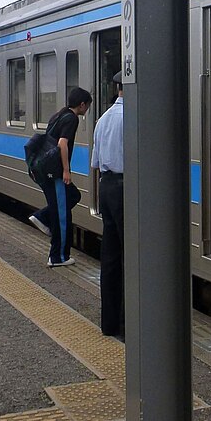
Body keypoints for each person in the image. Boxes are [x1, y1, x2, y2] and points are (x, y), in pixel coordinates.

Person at [29, 87, 92, 268]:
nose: (86, 110)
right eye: (87, 106)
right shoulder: (72, 118)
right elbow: (62, 144)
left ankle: (43, 216)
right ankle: (58, 257)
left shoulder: (58, 115)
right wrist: (66, 170)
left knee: (72, 197)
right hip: (55, 172)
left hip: (45, 169)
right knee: (62, 214)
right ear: (82, 104)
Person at [91, 72, 125, 338]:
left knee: (111, 258)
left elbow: (95, 162)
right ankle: (131, 320)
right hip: (127, 188)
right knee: (133, 256)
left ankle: (110, 323)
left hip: (107, 186)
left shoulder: (103, 119)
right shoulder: (134, 118)